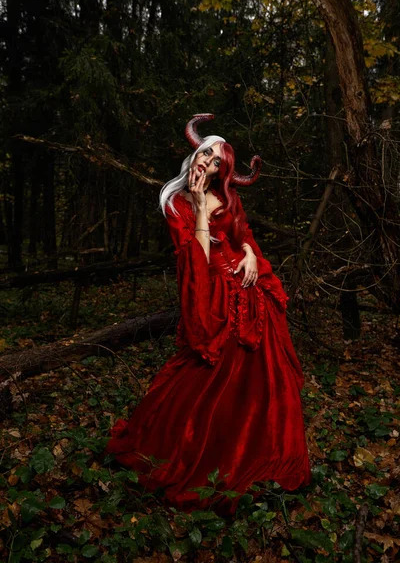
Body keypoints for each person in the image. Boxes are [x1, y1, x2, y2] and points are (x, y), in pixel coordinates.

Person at [106, 114, 311, 514]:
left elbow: (244, 235)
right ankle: (202, 453)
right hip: (214, 297)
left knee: (262, 383)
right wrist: (200, 207)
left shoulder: (231, 198)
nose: (209, 162)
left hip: (252, 295)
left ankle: (257, 457)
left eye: (218, 161)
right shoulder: (174, 201)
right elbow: (196, 260)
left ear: (224, 170)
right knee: (208, 374)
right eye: (206, 153)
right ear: (194, 154)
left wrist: (251, 254)